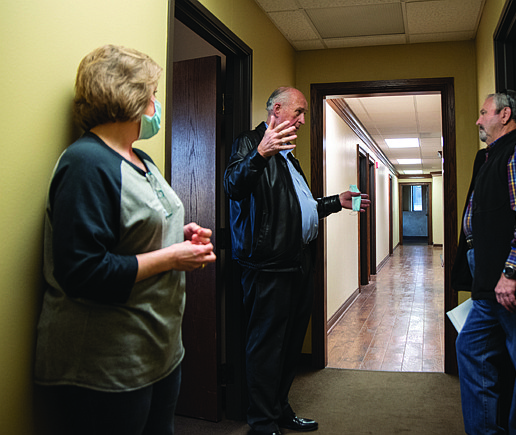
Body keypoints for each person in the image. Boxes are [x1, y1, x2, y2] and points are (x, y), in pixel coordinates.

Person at [34, 45, 217, 435]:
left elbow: (132, 229)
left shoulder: (140, 159)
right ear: (130, 96)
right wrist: (172, 256)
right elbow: (81, 271)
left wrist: (179, 234)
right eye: (152, 92)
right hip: (107, 365)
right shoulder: (85, 163)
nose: (156, 102)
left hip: (159, 351)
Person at [224, 87, 370, 435]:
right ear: (276, 109)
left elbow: (297, 209)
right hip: (268, 266)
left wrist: (337, 201)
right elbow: (233, 186)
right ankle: (261, 422)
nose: (303, 120)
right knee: (266, 346)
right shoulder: (249, 143)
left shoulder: (289, 156)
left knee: (289, 345)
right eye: (300, 111)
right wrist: (260, 153)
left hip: (298, 262)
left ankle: (279, 409)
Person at [451, 90, 516, 434]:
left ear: (504, 115)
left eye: (483, 112)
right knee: (470, 349)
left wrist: (511, 272)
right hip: (488, 280)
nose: (477, 120)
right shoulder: (491, 156)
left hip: (509, 285)